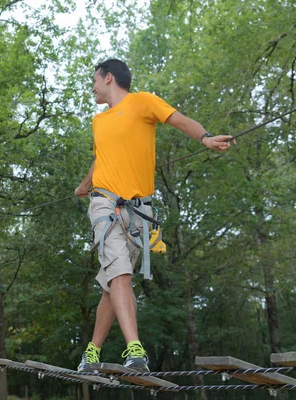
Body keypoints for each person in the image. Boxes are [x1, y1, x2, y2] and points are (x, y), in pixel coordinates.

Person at [74, 59, 233, 372]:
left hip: (139, 212)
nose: (92, 88)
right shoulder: (98, 121)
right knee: (120, 273)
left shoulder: (142, 103)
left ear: (108, 78)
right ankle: (136, 351)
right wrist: (84, 184)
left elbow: (179, 120)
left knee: (111, 281)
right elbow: (101, 158)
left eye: (95, 80)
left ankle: (91, 352)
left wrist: (205, 138)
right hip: (104, 203)